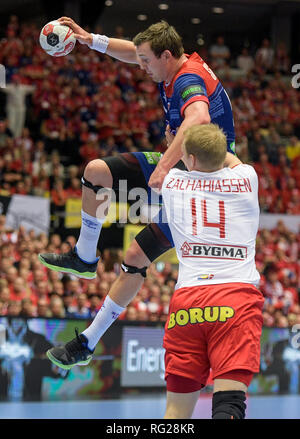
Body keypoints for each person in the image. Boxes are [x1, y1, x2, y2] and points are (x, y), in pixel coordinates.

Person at [40, 19, 236, 370]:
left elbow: (199, 116)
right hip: (181, 167)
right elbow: (132, 51)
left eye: (146, 61)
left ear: (165, 55)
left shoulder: (187, 79)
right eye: (141, 60)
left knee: (134, 256)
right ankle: (85, 257)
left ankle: (87, 341)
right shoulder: (174, 63)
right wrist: (90, 40)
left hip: (202, 190)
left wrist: (163, 168)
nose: (141, 67)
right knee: (95, 171)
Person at [160, 124, 264, 418]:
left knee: (175, 415)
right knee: (228, 406)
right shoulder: (248, 177)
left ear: (189, 159)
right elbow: (228, 159)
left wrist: (175, 143)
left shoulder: (172, 182)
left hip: (187, 302)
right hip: (235, 300)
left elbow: (184, 161)